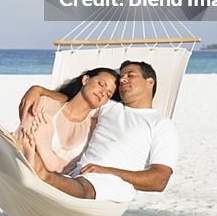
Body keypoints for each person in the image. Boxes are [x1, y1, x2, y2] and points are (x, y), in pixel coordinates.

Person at [18, 60, 179, 203]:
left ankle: (41, 174)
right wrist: (38, 90)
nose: (123, 79)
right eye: (122, 76)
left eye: (130, 75)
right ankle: (33, 162)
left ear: (149, 82)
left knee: (85, 187)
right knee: (73, 178)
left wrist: (107, 171)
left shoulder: (160, 123)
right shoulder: (108, 107)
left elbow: (160, 180)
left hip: (113, 185)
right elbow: (77, 100)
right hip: (75, 176)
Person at [13, 66, 119, 175]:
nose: (103, 93)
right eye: (101, 84)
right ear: (85, 80)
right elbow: (21, 142)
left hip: (53, 185)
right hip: (19, 172)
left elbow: (75, 169)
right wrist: (37, 89)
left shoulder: (95, 130)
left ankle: (48, 158)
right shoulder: (45, 104)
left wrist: (45, 153)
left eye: (108, 94)